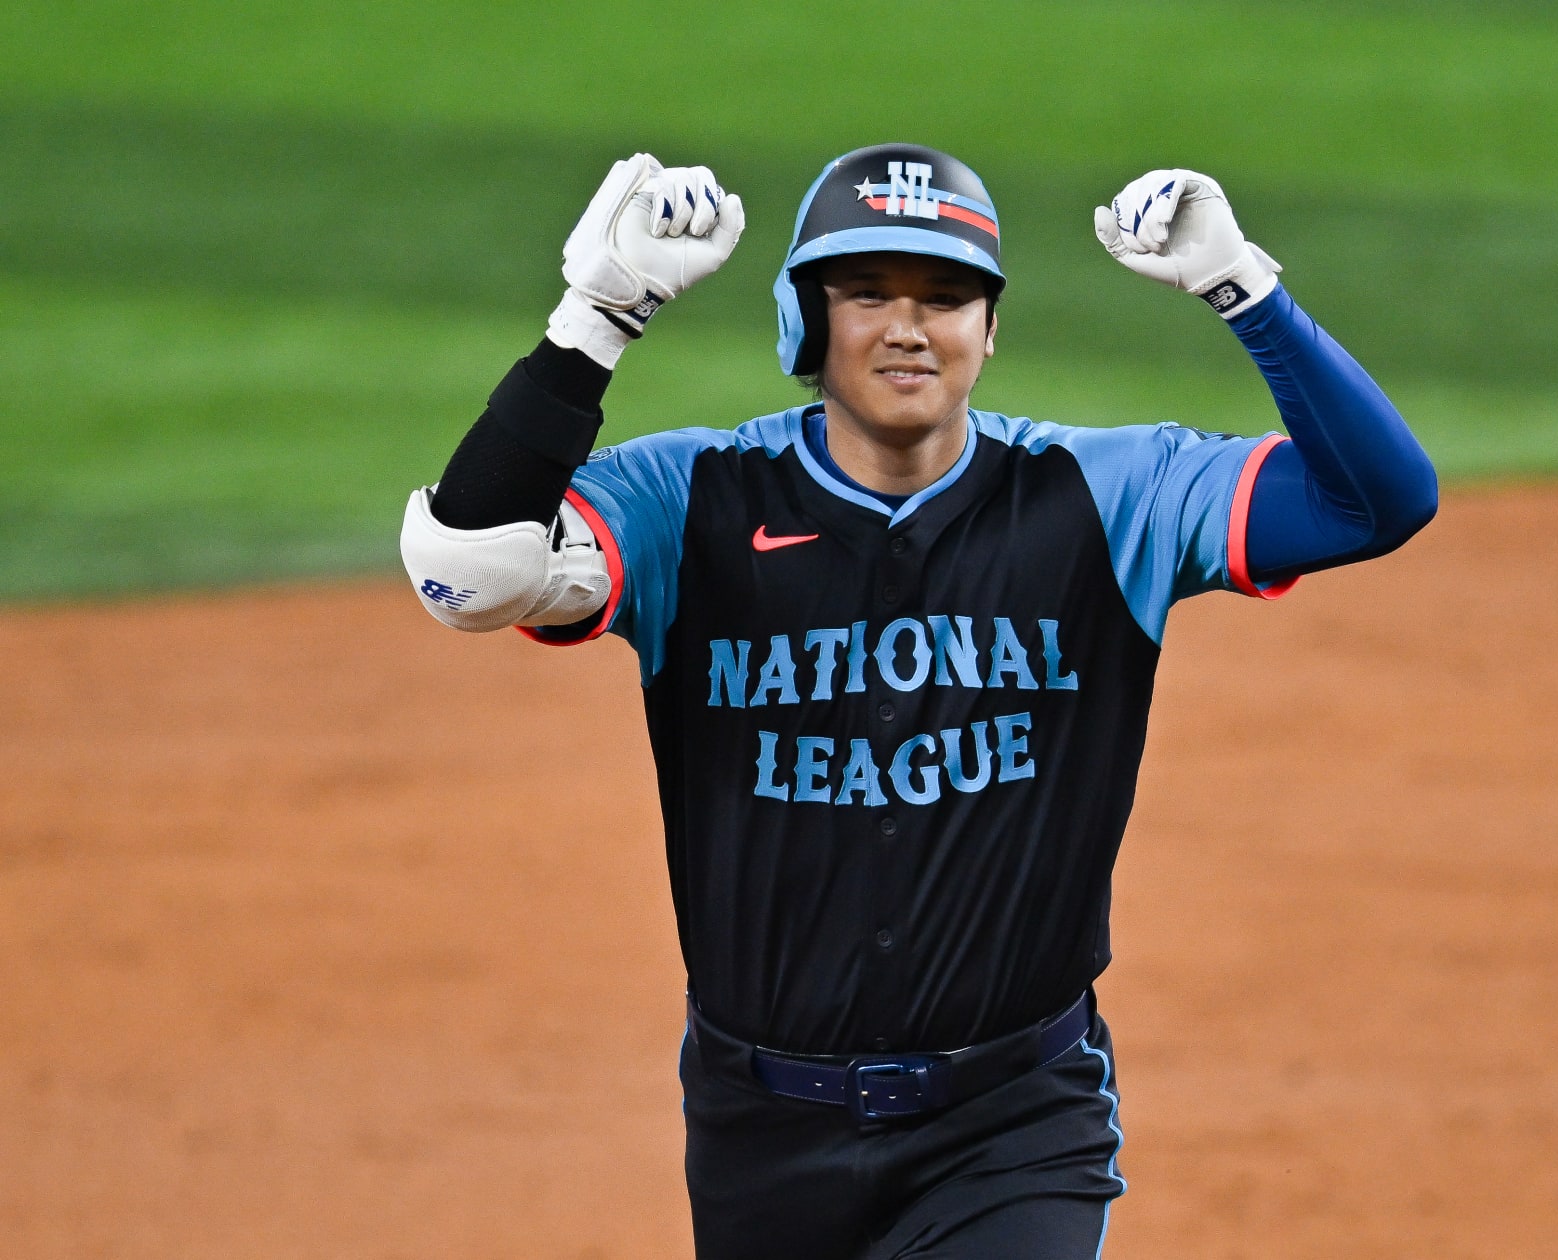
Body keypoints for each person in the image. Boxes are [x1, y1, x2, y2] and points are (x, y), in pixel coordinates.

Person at [399, 142, 1436, 1258]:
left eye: (946, 297)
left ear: (989, 330)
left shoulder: (1107, 493)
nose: (908, 327)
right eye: (867, 295)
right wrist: (598, 314)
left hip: (1014, 1125)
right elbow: (471, 572)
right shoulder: (690, 499)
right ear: (806, 322)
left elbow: (1377, 501)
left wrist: (1245, 289)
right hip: (759, 1134)